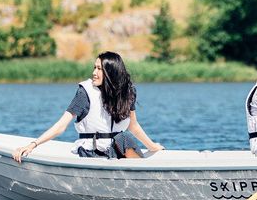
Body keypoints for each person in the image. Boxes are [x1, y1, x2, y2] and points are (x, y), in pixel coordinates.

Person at [12, 51, 164, 162]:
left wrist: (153, 147)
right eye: (94, 67)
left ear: (111, 73)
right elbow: (61, 126)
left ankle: (137, 178)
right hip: (92, 153)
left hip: (116, 151)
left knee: (124, 137)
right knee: (121, 139)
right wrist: (33, 144)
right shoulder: (84, 93)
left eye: (99, 69)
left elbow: (133, 125)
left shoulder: (127, 92)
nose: (94, 73)